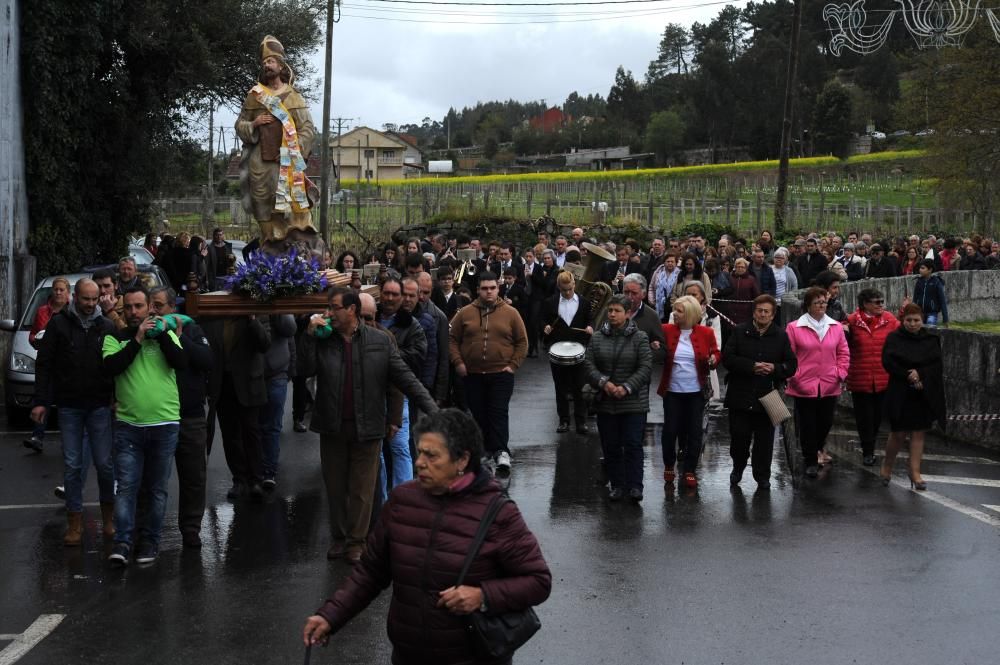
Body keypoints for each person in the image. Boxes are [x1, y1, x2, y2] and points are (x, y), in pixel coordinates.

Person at [302, 408, 551, 662]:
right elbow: (370, 572)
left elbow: (538, 581)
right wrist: (330, 616)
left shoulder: (498, 512)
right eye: (420, 452)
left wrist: (482, 596)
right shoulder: (401, 501)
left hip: (472, 657)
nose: (420, 462)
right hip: (408, 655)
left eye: (431, 456)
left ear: (462, 460)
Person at [307, 288, 437, 562]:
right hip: (332, 426)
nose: (328, 313)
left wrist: (434, 412)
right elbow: (302, 369)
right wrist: (309, 335)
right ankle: (340, 538)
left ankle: (357, 541)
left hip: (368, 426)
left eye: (334, 308)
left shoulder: (380, 341)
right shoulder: (323, 340)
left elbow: (404, 379)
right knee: (335, 486)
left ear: (351, 310)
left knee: (362, 489)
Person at [103, 287, 189, 566]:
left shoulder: (167, 334)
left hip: (164, 424)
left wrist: (162, 333)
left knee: (156, 489)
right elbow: (112, 366)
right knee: (127, 487)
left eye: (139, 306)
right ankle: (123, 542)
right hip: (129, 425)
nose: (133, 312)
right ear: (122, 309)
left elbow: (181, 361)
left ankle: (150, 542)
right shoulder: (114, 336)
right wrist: (138, 338)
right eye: (128, 307)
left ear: (149, 308)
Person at [32, 278, 116, 546]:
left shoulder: (107, 325)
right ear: (74, 298)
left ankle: (109, 519)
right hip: (69, 406)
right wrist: (40, 401)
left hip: (100, 405)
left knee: (104, 464)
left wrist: (117, 397)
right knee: (72, 465)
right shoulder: (58, 324)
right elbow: (44, 364)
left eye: (94, 299)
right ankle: (75, 523)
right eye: (85, 299)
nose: (91, 304)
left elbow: (116, 365)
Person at [235, 35, 317, 248]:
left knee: (290, 200)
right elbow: (240, 124)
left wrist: (295, 146)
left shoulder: (293, 96)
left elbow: (307, 128)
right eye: (264, 63)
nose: (267, 66)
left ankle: (294, 243)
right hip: (259, 160)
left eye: (270, 62)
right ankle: (268, 241)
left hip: (286, 160)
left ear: (281, 66)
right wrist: (254, 124)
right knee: (260, 197)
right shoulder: (255, 96)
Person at [150, 287, 214, 548]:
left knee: (193, 478)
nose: (154, 311)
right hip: (158, 418)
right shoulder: (148, 334)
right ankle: (147, 531)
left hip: (190, 416)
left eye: (159, 305)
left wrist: (179, 338)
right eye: (151, 305)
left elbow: (206, 360)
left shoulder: (192, 330)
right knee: (154, 479)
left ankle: (191, 529)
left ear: (172, 309)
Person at [450, 272, 528, 478]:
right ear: (478, 290)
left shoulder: (511, 313)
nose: (489, 292)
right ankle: (483, 453)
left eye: (492, 288)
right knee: (479, 413)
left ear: (498, 288)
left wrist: (513, 365)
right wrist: (458, 362)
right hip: (473, 374)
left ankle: (501, 452)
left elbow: (522, 342)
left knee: (498, 412)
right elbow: (452, 339)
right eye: (484, 288)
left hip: (501, 373)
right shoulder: (465, 313)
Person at [723, 295, 797, 489]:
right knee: (739, 437)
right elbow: (728, 359)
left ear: (773, 315)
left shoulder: (781, 336)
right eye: (759, 310)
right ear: (754, 312)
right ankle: (738, 467)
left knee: (764, 442)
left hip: (768, 395)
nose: (763, 314)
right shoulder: (739, 331)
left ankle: (762, 476)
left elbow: (791, 365)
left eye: (767, 311)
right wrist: (751, 366)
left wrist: (774, 368)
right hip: (740, 394)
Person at [583, 295, 652, 502]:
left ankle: (635, 486)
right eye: (610, 310)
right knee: (611, 445)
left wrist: (627, 387)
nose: (612, 314)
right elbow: (588, 364)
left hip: (633, 402)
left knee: (632, 444)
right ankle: (617, 485)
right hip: (606, 401)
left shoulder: (640, 338)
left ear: (628, 313)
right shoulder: (597, 337)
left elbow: (645, 367)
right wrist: (605, 383)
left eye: (617, 311)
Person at [201, 314, 272, 500]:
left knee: (251, 431)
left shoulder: (254, 314)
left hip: (248, 383)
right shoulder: (211, 317)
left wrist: (253, 319)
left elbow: (264, 343)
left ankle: (256, 479)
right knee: (230, 435)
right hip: (222, 384)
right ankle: (239, 479)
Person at [785, 287, 851, 478]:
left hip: (830, 383)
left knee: (825, 422)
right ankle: (810, 459)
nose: (822, 305)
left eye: (824, 302)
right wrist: (795, 377)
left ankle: (818, 447)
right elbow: (789, 355)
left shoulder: (835, 327)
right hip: (803, 384)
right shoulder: (794, 327)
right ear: (808, 305)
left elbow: (843, 353)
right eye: (817, 302)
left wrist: (840, 373)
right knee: (807, 424)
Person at [880, 304, 946, 490]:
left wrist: (921, 373)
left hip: (922, 391)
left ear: (922, 320)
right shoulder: (894, 338)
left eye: (916, 320)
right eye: (909, 320)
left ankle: (915, 471)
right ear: (903, 320)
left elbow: (936, 364)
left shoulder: (931, 339)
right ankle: (887, 467)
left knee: (919, 432)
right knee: (898, 433)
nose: (912, 324)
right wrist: (908, 374)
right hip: (900, 390)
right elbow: (888, 361)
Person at [657, 295, 721, 488]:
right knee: (670, 430)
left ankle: (690, 469)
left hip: (696, 391)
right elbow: (656, 347)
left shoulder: (706, 332)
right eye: (674, 310)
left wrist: (713, 360)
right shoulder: (666, 330)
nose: (674, 314)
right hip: (673, 390)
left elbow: (716, 352)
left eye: (679, 311)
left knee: (695, 432)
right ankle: (669, 464)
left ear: (691, 313)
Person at [845, 288, 899, 467]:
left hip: (883, 377)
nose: (881, 305)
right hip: (860, 377)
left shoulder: (889, 320)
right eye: (877, 302)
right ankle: (868, 450)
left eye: (882, 302)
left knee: (877, 417)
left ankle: (871, 445)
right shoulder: (852, 321)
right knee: (864, 417)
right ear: (865, 304)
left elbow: (904, 335)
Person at [541, 271, 593, 434]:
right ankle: (563, 420)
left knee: (579, 388)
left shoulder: (584, 303)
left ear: (574, 285)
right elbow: (542, 320)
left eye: (570, 289)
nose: (567, 293)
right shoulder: (550, 302)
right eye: (564, 290)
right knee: (561, 388)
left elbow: (590, 320)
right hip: (558, 349)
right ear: (559, 288)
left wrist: (591, 327)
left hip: (579, 348)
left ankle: (581, 422)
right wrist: (545, 327)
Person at [24, 276, 71, 452]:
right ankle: (37, 436)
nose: (58, 292)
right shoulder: (42, 311)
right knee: (42, 398)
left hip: (66, 365)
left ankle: (68, 440)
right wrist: (35, 340)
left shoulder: (72, 311)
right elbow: (33, 333)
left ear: (68, 293)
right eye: (56, 289)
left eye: (61, 289)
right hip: (47, 363)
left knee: (66, 404)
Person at [258, 314, 296, 489]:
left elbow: (290, 330)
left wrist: (278, 310)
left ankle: (268, 471)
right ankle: (254, 471)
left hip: (276, 373)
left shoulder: (280, 311)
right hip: (253, 375)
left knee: (272, 427)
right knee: (255, 427)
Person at [622, 273, 666, 364]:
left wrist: (641, 358)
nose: (629, 297)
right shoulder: (613, 310)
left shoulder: (652, 316)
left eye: (634, 293)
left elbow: (661, 350)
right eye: (626, 292)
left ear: (644, 294)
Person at [910, 259, 949, 325]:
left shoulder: (936, 282)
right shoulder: (919, 282)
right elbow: (915, 299)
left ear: (930, 269)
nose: (920, 270)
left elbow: (942, 301)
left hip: (932, 312)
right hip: (920, 312)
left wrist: (945, 319)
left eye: (923, 268)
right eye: (920, 268)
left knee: (930, 325)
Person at [648, 253, 680, 320]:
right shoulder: (658, 272)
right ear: (664, 262)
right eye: (668, 261)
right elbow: (651, 286)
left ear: (676, 263)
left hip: (673, 306)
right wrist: (651, 300)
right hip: (657, 305)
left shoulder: (680, 274)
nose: (670, 263)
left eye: (672, 262)